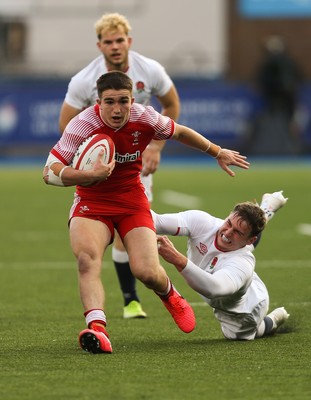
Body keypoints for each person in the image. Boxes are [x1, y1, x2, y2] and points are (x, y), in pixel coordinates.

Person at [43, 71, 249, 353]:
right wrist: (87, 174)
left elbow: (180, 131)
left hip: (132, 201)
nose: (117, 109)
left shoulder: (146, 118)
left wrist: (217, 152)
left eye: (123, 101)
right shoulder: (82, 124)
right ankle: (97, 329)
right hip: (92, 201)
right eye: (110, 102)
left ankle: (168, 293)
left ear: (132, 99)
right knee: (86, 260)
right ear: (98, 102)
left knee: (146, 272)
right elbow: (49, 172)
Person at [58, 12, 180, 319]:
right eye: (108, 42)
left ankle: (131, 299)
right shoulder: (84, 80)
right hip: (100, 169)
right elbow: (66, 122)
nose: (115, 46)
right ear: (99, 46)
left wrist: (155, 146)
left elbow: (172, 105)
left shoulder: (149, 69)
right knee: (92, 249)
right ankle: (126, 302)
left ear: (129, 42)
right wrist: (85, 163)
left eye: (119, 40)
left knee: (133, 234)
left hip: (135, 163)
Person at [153, 191, 290, 340]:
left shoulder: (243, 264)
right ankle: (265, 209)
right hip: (235, 263)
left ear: (251, 240)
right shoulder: (203, 222)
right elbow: (156, 221)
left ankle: (272, 320)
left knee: (238, 335)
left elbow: (214, 288)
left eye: (237, 232)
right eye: (228, 223)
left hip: (246, 309)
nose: (227, 232)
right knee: (236, 242)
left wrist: (176, 258)